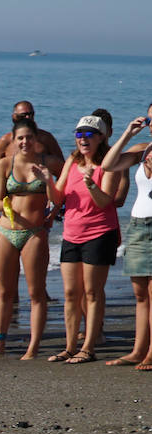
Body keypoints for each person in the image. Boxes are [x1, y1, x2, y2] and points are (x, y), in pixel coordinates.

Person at [0, 118, 62, 359]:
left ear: (37, 140)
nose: (25, 142)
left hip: (35, 233)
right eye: (20, 138)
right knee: (5, 292)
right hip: (6, 231)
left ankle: (33, 346)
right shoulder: (5, 165)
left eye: (29, 138)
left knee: (36, 292)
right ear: (14, 141)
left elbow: (61, 196)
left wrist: (48, 183)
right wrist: (2, 207)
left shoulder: (50, 163)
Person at [48, 114, 125, 363]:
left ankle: (88, 347)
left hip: (100, 233)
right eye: (79, 134)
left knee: (92, 292)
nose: (83, 139)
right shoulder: (72, 159)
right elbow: (58, 196)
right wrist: (45, 180)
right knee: (71, 293)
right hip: (71, 233)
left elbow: (106, 201)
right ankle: (70, 346)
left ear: (101, 138)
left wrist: (91, 183)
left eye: (89, 134)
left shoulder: (109, 163)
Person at [100, 105, 152, 368]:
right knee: (140, 294)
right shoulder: (144, 149)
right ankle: (137, 350)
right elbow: (108, 165)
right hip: (138, 225)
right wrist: (129, 134)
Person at [0, 101, 65, 163]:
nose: (28, 117)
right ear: (14, 117)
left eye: (31, 114)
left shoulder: (46, 138)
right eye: (23, 115)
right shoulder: (5, 140)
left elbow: (63, 168)